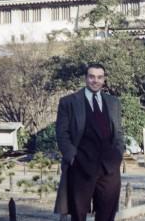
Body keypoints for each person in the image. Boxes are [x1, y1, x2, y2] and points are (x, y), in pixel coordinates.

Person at [54, 63, 125, 221]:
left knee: (107, 215)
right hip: (81, 166)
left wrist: (119, 154)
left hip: (109, 167)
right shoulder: (69, 102)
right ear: (86, 78)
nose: (95, 80)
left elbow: (119, 132)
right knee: (78, 215)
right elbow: (62, 134)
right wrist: (72, 158)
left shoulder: (113, 102)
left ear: (104, 79)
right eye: (92, 76)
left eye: (99, 77)